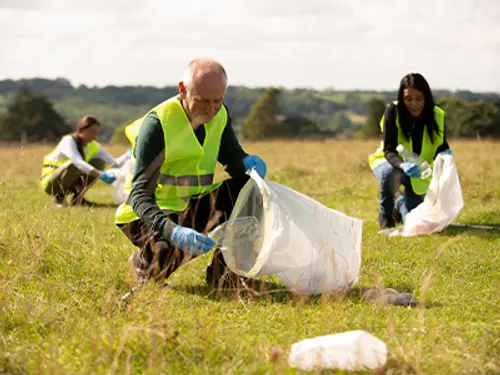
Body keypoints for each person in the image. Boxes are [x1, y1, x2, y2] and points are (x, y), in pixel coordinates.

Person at [114, 58, 267, 289]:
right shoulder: (157, 126)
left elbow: (232, 160)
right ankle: (143, 264)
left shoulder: (219, 115)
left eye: (218, 100)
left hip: (189, 207)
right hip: (148, 215)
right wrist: (172, 231)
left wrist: (246, 163)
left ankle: (226, 274)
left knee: (250, 189)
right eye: (203, 101)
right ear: (183, 89)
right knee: (165, 254)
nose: (211, 109)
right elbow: (139, 197)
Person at [368, 73, 452, 229]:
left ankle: (399, 204)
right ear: (402, 97)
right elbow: (389, 150)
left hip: (419, 171)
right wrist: (402, 165)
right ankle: (386, 217)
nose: (414, 104)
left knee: (413, 220)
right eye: (408, 99)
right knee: (389, 173)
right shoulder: (393, 112)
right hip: (390, 163)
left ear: (426, 97)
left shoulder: (437, 115)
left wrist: (446, 154)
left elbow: (441, 146)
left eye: (418, 99)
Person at [40, 115, 131, 207]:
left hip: (70, 182)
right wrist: (100, 174)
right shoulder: (68, 141)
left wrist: (128, 155)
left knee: (99, 162)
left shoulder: (93, 146)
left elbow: (114, 163)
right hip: (52, 184)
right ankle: (59, 199)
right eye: (91, 132)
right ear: (81, 130)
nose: (94, 136)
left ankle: (78, 199)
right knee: (75, 164)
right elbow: (77, 162)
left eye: (96, 133)